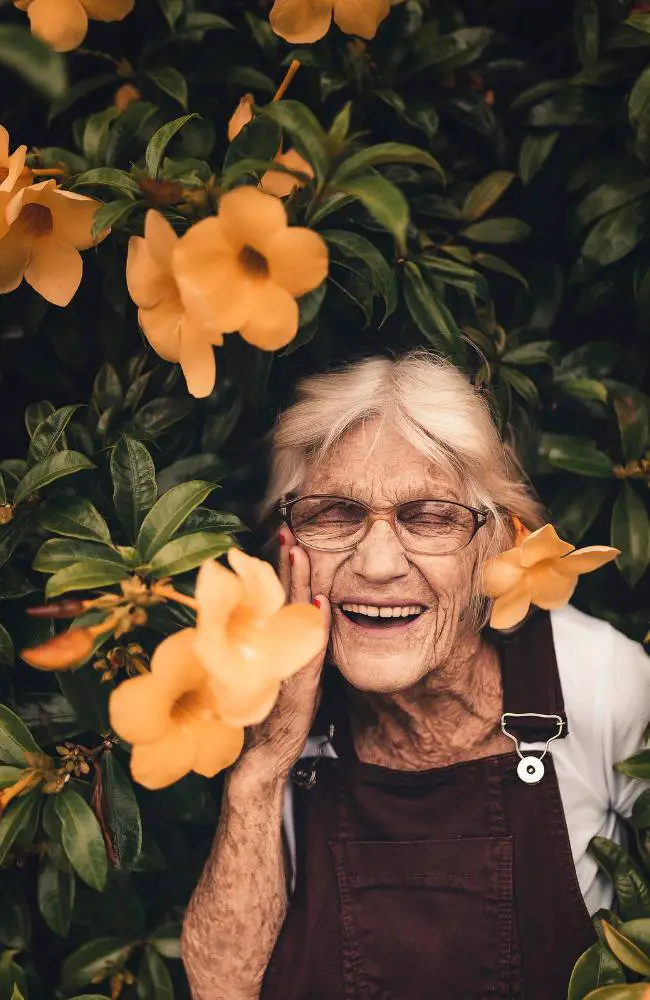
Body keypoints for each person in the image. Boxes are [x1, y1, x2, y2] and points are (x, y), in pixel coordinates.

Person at [180, 349, 650, 1000]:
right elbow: (222, 991)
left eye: (429, 517)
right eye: (335, 513)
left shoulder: (601, 680)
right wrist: (265, 764)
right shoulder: (271, 694)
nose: (376, 564)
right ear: (290, 546)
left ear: (496, 543)